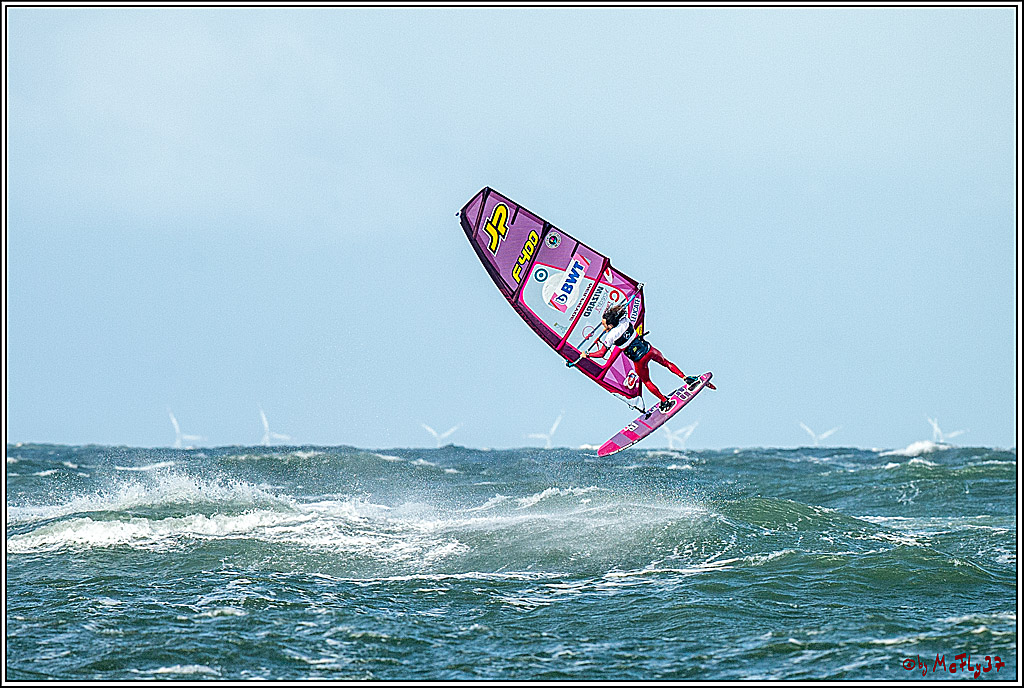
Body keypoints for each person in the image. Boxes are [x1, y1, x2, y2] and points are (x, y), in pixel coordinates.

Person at [577, 302, 700, 412]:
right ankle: (686, 378)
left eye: (606, 325)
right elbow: (619, 317)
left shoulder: (609, 337)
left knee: (646, 381)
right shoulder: (625, 320)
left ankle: (664, 401)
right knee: (666, 363)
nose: (604, 328)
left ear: (611, 324)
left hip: (639, 360)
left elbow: (601, 353)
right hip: (649, 350)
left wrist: (586, 354)